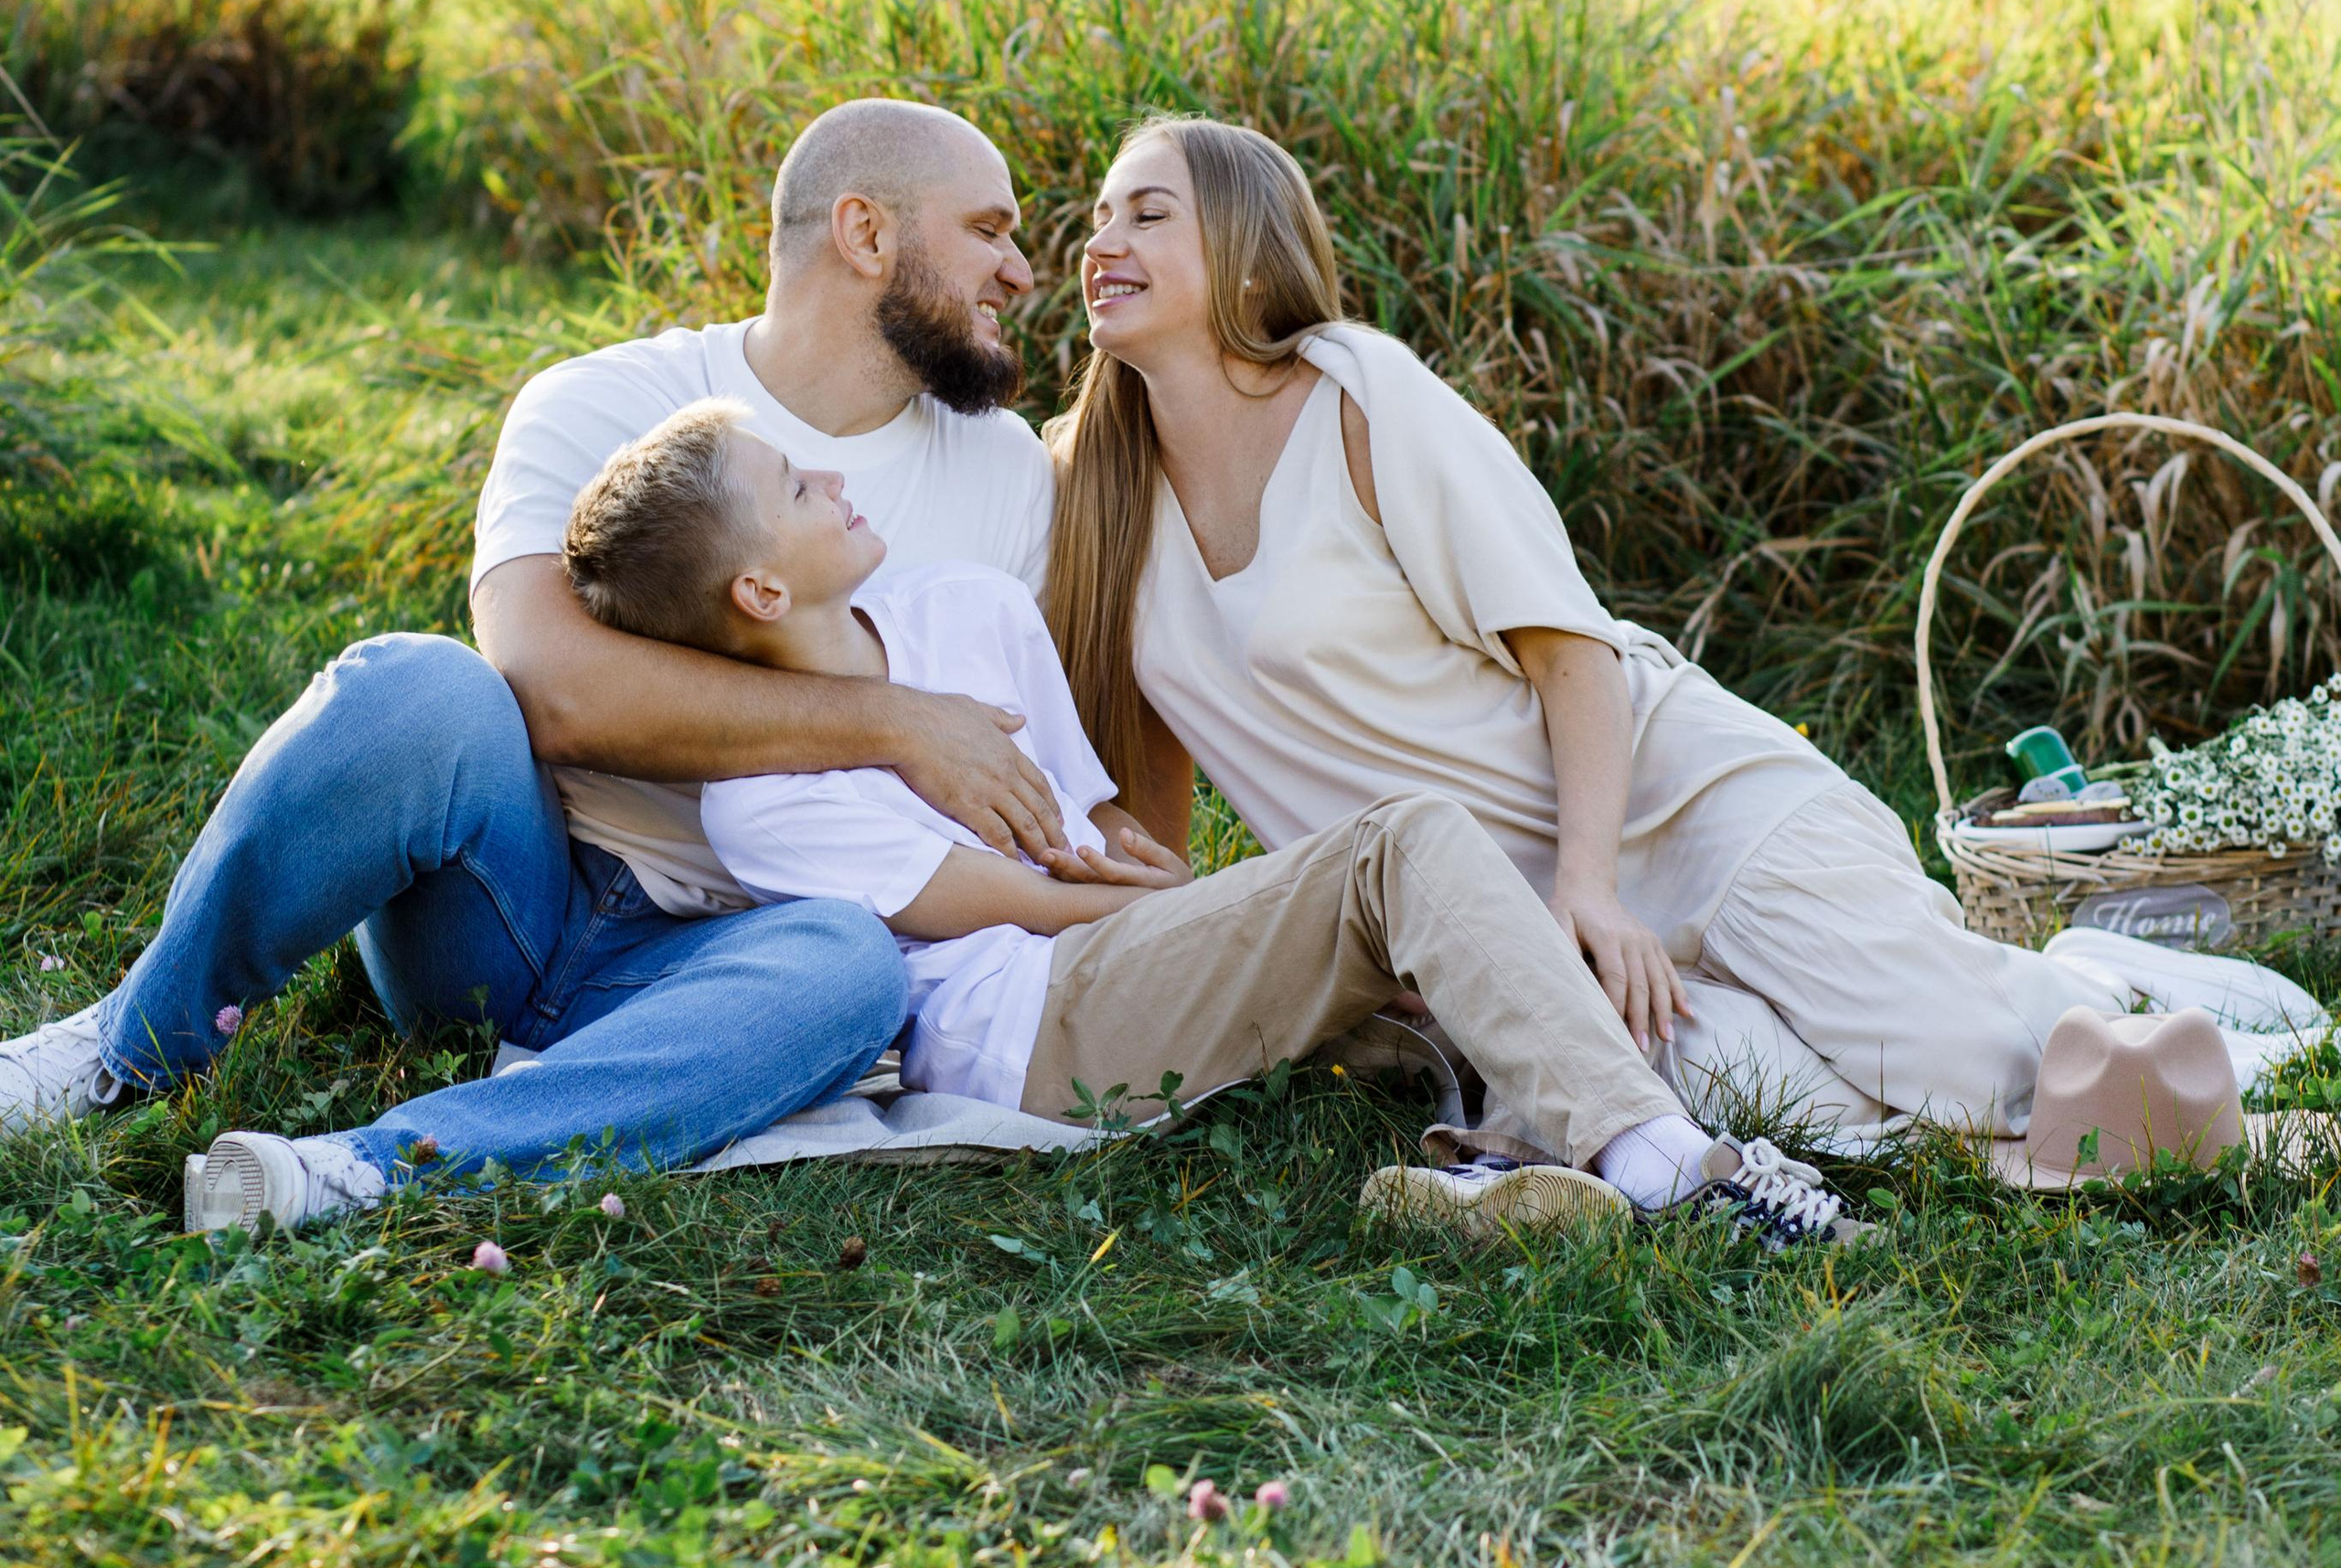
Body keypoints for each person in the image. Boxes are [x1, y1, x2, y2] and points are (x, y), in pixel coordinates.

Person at [176, 395, 1857, 1247]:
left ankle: (1529, 1151)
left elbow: (1101, 834)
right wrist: (1279, 915)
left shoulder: (975, 613)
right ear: (764, 583)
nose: (843, 485)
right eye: (802, 489)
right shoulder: (769, 807)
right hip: (1026, 1021)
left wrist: (1222, 913)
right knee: (1404, 854)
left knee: (1417, 898)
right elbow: (1018, 910)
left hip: (1110, 951)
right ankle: (1678, 1169)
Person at [1044, 114, 2314, 1207]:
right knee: (1781, 1105)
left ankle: (2121, 1007)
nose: (1101, 242)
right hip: (1500, 924)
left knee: (1957, 1063)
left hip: (1675, 801)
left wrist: (1589, 885)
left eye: (1146, 214)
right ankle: (2067, 1044)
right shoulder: (1096, 498)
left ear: (1247, 247)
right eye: (1095, 217)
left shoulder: (1358, 397)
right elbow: (1152, 796)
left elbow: (1569, 650)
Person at [0, 101, 1091, 1223]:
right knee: (419, 686)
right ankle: (125, 1048)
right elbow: (553, 689)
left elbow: (1050, 749)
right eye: (989, 229)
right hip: (517, 903)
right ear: (865, 234)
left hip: (749, 958)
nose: (1018, 268)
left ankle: (369, 1167)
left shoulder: (1004, 475)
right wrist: (898, 722)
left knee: (850, 965)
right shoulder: (612, 402)